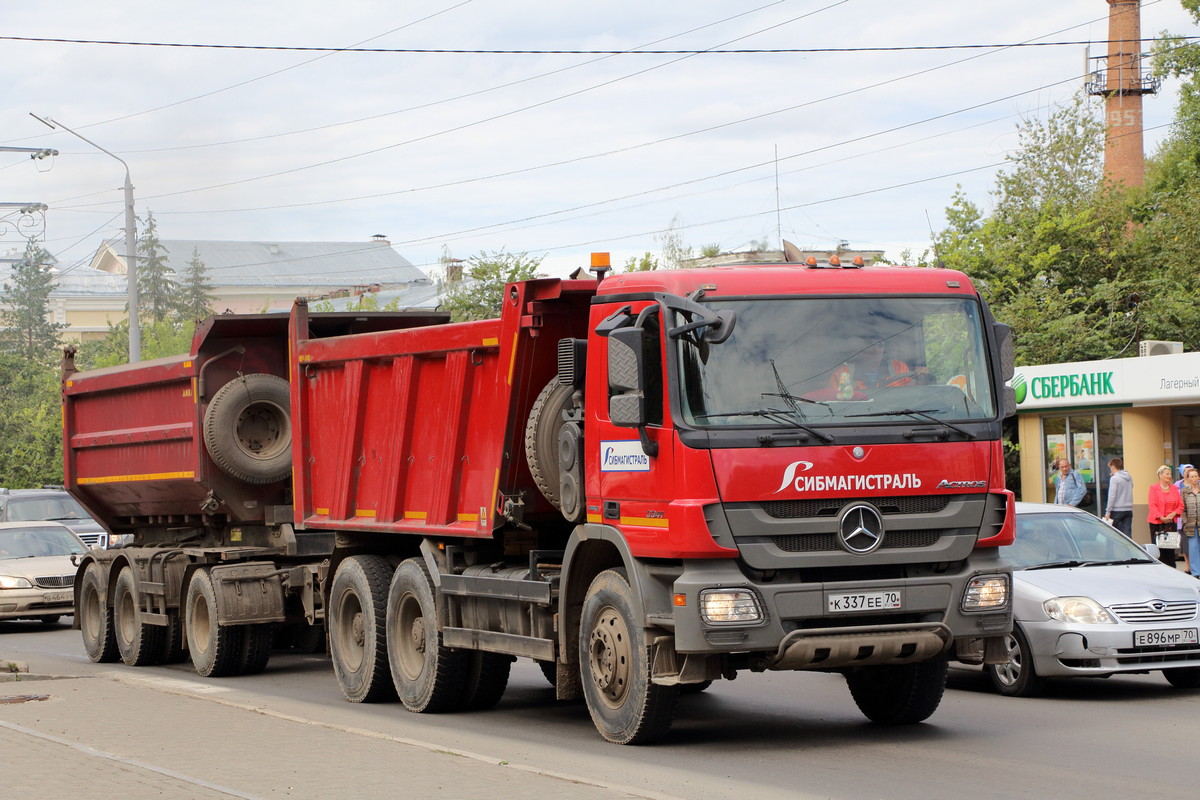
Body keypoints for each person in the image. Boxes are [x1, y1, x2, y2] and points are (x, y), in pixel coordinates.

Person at [1148, 465, 1184, 568]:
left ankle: (1172, 570)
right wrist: (1161, 517)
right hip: (1157, 523)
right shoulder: (1154, 488)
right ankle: (1160, 570)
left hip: (1171, 523)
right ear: (1160, 475)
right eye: (1167, 474)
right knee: (1159, 550)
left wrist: (1173, 514)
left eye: (1170, 474)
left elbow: (1180, 505)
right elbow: (1152, 505)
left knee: (1170, 550)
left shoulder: (1174, 488)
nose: (1169, 476)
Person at [1102, 457, 1134, 538]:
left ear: (1113, 467)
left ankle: (1111, 550)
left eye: (1110, 468)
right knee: (1127, 534)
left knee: (1111, 534)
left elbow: (1112, 496)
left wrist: (1108, 511)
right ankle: (1128, 550)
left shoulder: (1114, 478)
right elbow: (1132, 486)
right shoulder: (1129, 477)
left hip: (1117, 510)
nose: (1110, 470)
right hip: (1128, 509)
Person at [1179, 466, 1200, 577]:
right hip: (1191, 525)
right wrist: (1185, 521)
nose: (1194, 478)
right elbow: (1182, 509)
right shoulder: (1184, 491)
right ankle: (1196, 573)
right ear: (1188, 478)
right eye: (1192, 476)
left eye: (1196, 476)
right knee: (1193, 548)